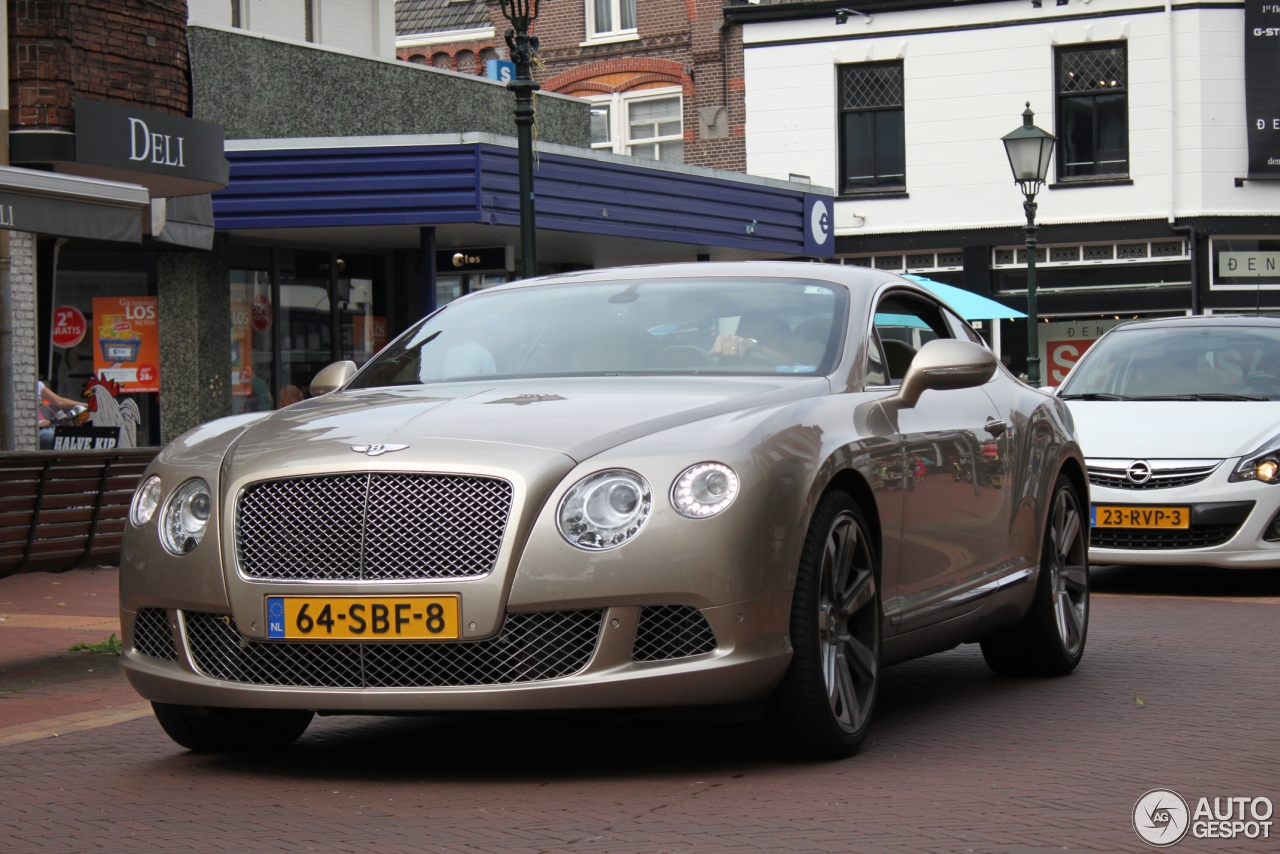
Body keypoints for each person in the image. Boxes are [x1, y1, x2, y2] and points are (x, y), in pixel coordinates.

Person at [38, 379, 81, 449]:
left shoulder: (37, 384)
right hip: (36, 430)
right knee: (65, 440)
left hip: (48, 426)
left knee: (77, 435)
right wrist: (36, 426)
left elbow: (59, 401)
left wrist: (86, 406)